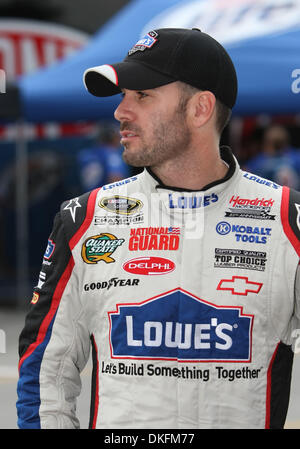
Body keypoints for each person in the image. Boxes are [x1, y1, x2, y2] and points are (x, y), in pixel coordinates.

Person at [16, 28, 300, 429]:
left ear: (200, 109)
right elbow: (46, 372)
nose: (120, 111)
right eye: (122, 96)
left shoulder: (287, 221)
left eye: (142, 95)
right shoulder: (85, 219)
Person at [77, 123, 130, 193]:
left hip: (87, 197)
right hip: (105, 199)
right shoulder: (111, 154)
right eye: (117, 137)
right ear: (112, 138)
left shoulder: (85, 154)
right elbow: (115, 178)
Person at [244, 124, 300, 190]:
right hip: (296, 198)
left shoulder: (260, 161)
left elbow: (244, 175)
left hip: (270, 199)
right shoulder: (297, 157)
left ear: (269, 143)